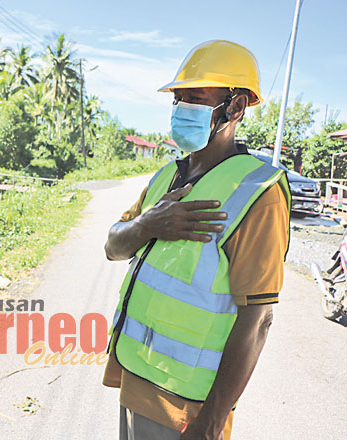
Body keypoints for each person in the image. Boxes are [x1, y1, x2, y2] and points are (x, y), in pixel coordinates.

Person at [102, 40, 291, 440]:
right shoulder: (164, 179)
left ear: (236, 108)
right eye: (179, 98)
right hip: (135, 379)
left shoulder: (258, 195)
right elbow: (112, 247)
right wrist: (146, 225)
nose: (182, 108)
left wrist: (211, 423)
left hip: (187, 409)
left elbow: (257, 321)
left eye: (196, 98)